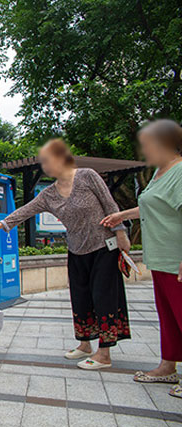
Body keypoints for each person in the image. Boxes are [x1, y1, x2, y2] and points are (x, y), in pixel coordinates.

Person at [0, 138, 132, 370]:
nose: (45, 166)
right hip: (76, 250)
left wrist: (121, 234)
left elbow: (110, 205)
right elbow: (23, 211)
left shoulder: (87, 175)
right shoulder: (49, 194)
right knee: (81, 297)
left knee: (104, 297)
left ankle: (105, 353)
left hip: (104, 246)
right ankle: (84, 344)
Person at [100, 119, 182, 398]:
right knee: (168, 315)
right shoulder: (160, 172)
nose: (143, 151)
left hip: (177, 258)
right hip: (159, 257)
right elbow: (154, 204)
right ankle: (167, 365)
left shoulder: (180, 171)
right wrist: (123, 215)